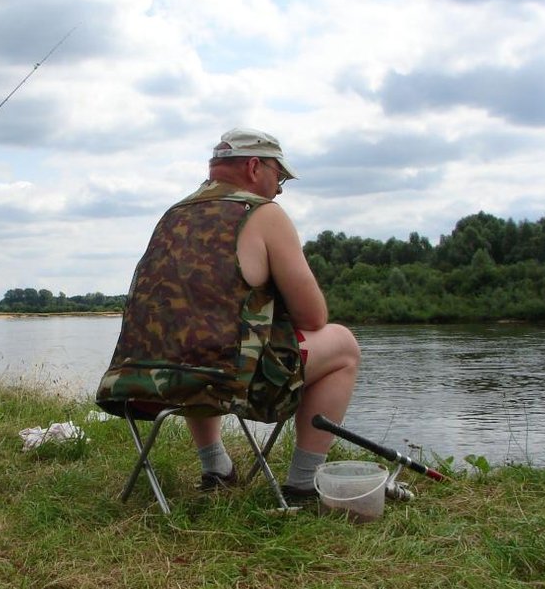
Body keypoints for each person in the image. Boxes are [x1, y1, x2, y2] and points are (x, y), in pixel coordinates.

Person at [96, 128, 360, 498]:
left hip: (138, 383)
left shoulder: (173, 215)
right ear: (255, 167)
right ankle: (303, 481)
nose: (280, 188)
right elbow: (313, 319)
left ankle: (216, 467)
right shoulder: (263, 213)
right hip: (223, 384)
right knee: (344, 344)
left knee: (199, 345)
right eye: (279, 176)